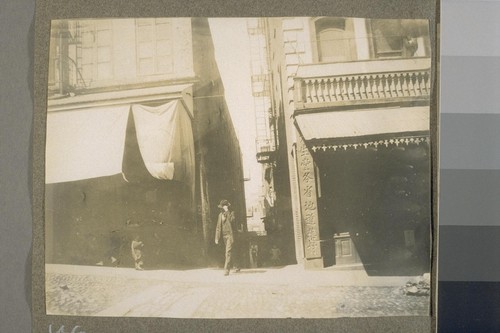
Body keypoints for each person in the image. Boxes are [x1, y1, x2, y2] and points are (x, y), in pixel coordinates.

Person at [215, 199, 241, 276]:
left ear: (227, 206)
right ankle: (237, 266)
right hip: (223, 236)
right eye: (223, 206)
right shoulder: (220, 215)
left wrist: (227, 212)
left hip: (230, 235)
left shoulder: (231, 213)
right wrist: (216, 237)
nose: (224, 207)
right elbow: (218, 227)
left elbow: (232, 221)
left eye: (225, 206)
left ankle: (226, 270)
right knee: (230, 251)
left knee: (228, 252)